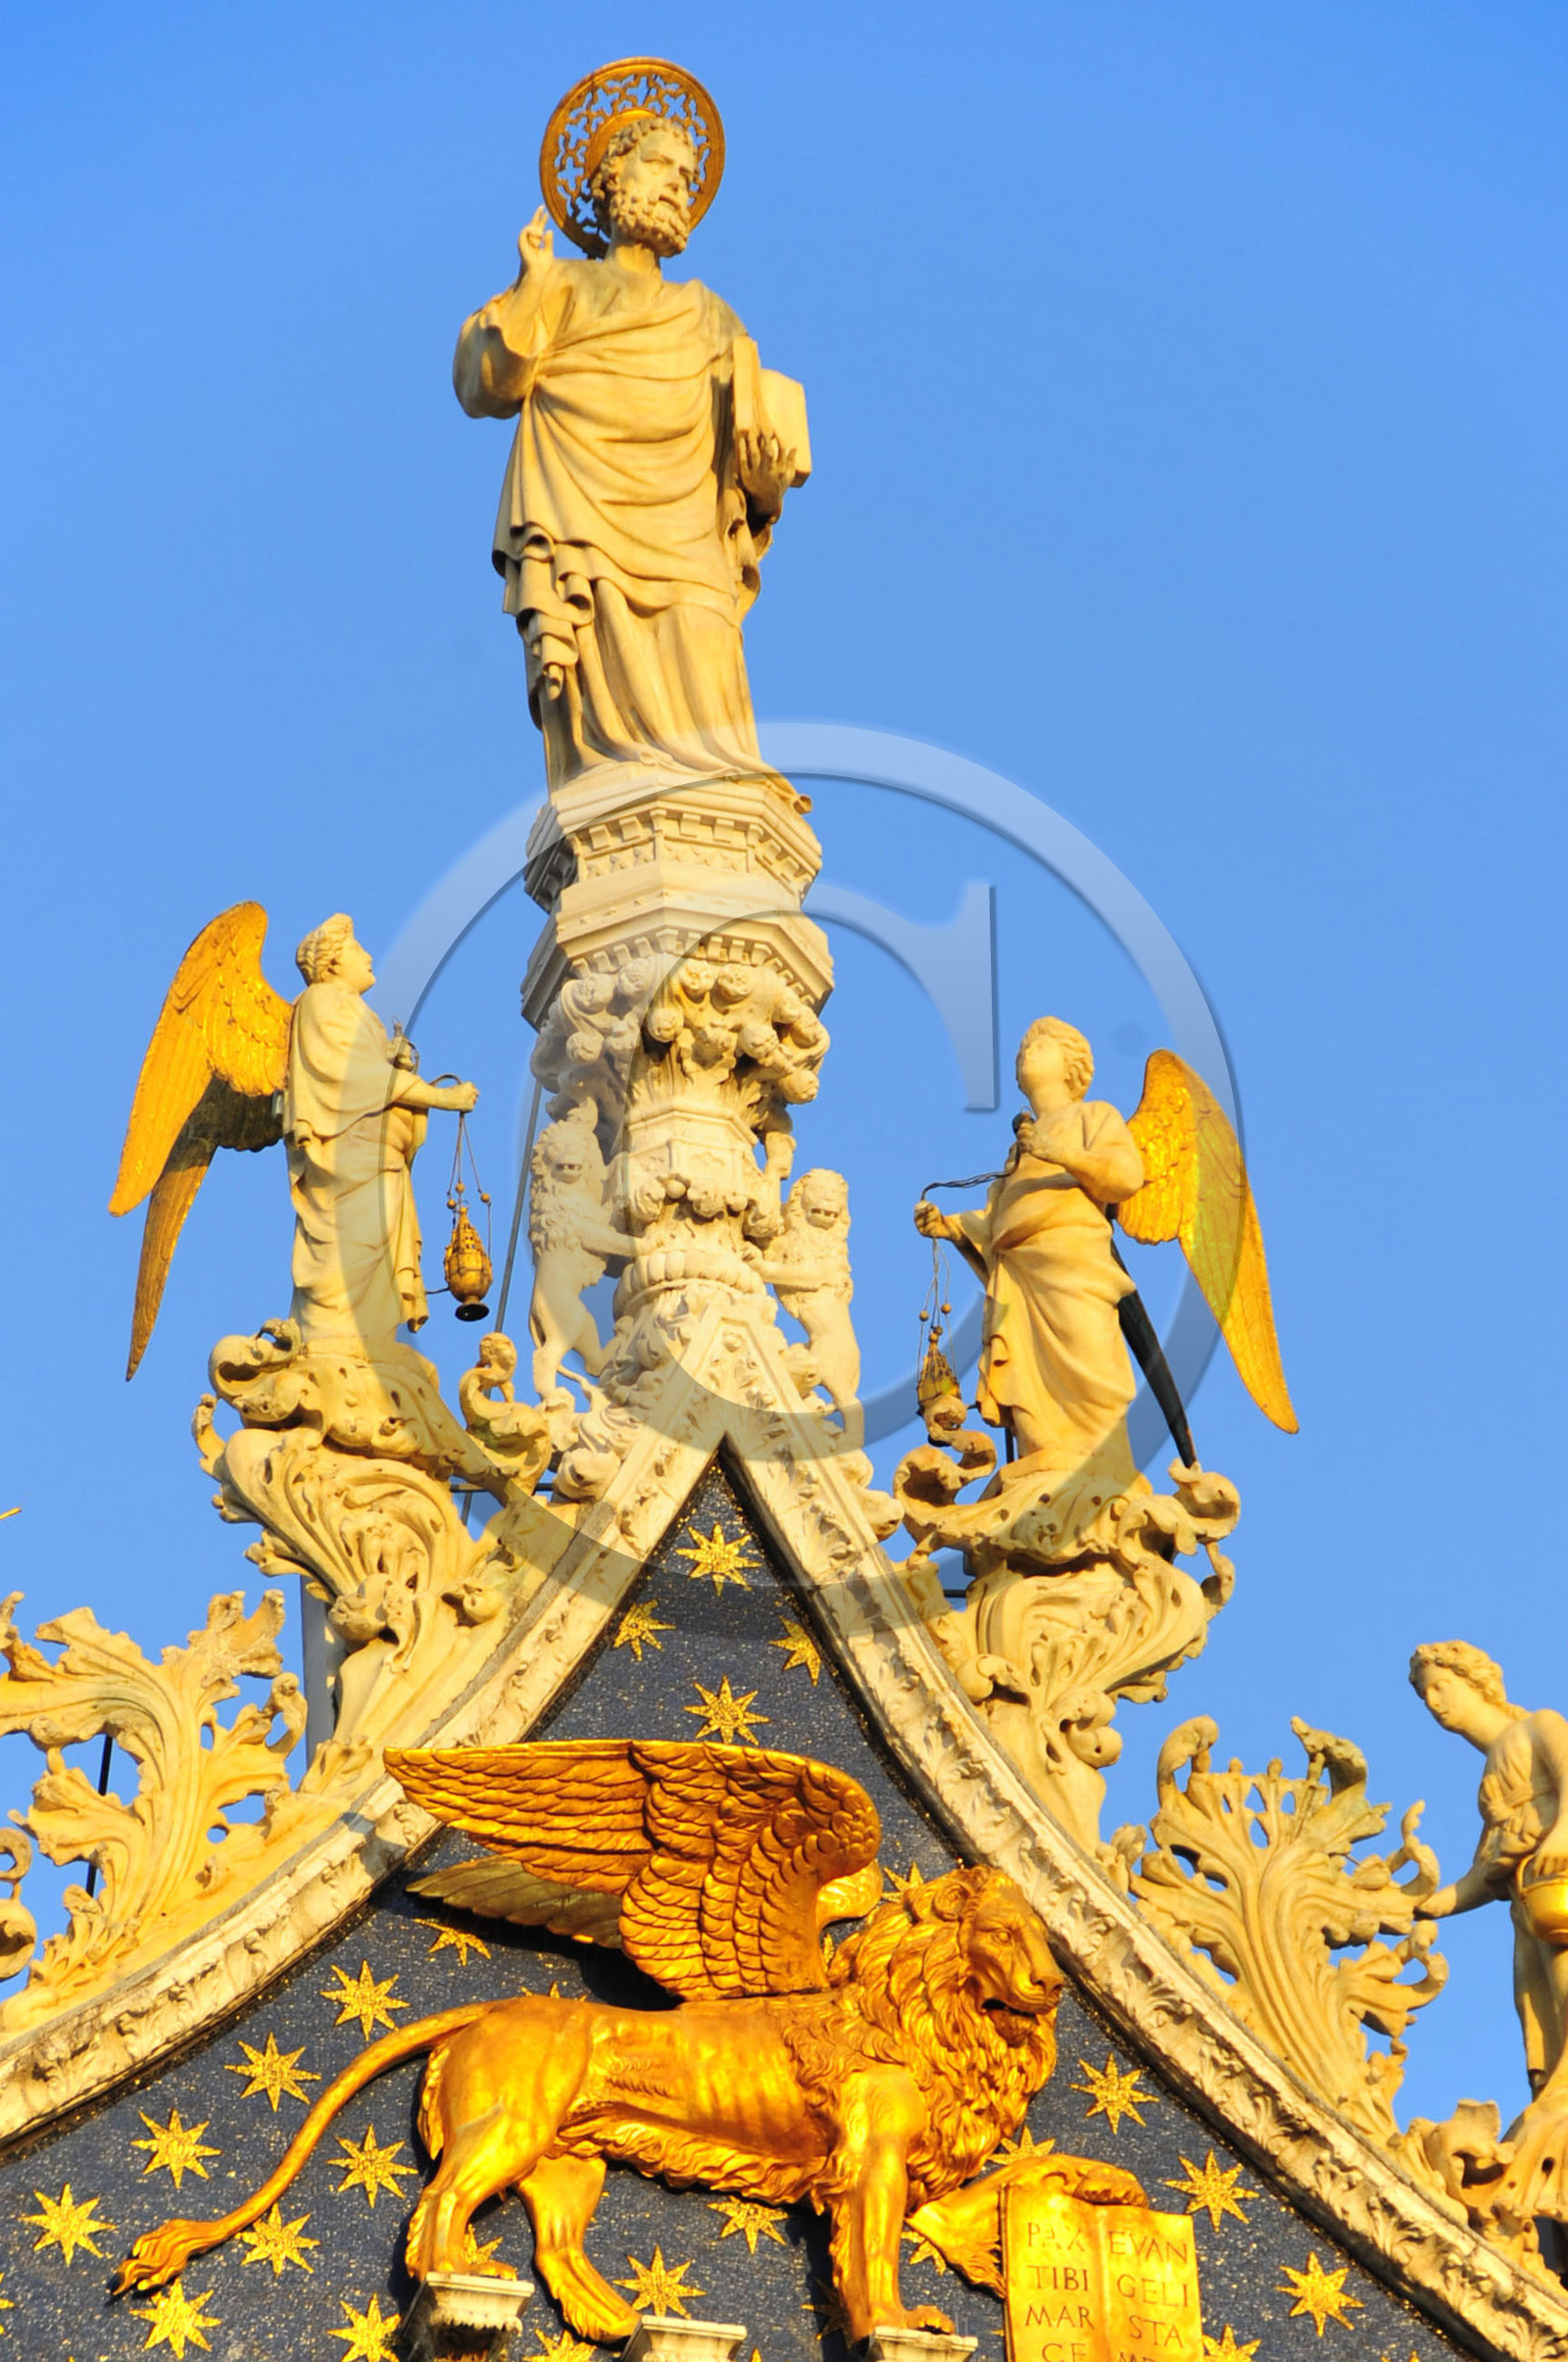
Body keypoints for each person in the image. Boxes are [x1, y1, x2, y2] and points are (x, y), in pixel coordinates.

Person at [454, 112, 800, 787]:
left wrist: (766, 486)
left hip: (689, 532)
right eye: (660, 166)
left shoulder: (711, 317)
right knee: (602, 708)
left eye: (687, 177)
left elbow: (747, 462)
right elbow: (484, 385)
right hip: (581, 517)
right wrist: (529, 283)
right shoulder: (558, 287)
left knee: (706, 661)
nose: (676, 185)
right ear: (613, 178)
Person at [914, 1017, 1145, 1487]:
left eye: (1039, 1046)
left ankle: (1101, 1457)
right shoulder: (1016, 1152)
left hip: (1073, 1262)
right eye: (1022, 1050)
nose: (1025, 1053)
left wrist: (1060, 1152)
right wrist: (952, 1227)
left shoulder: (1094, 1117)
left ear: (1072, 1066)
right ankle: (1045, 1454)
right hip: (1018, 1274)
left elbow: (1124, 1177)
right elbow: (998, 1218)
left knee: (1089, 1354)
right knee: (1027, 1373)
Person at [284, 915, 478, 1352]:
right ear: (332, 963)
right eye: (356, 949)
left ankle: (367, 1342)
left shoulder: (357, 1012)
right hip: (347, 1163)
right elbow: (356, 1078)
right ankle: (334, 1344)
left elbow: (374, 1074)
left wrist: (400, 1070)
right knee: (350, 1252)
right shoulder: (320, 1002)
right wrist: (443, 1098)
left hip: (379, 1163)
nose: (368, 956)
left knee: (377, 1258)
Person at [1412, 1641, 1568, 2098]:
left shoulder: (1539, 1726)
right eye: (1426, 1696)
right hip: (1527, 1899)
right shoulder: (1490, 1783)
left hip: (1558, 1879)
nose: (1435, 1703)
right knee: (1537, 2004)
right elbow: (1488, 1870)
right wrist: (1433, 1905)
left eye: (1442, 1686)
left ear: (1477, 1682)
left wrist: (1561, 1833)